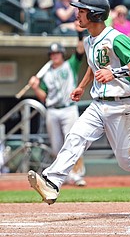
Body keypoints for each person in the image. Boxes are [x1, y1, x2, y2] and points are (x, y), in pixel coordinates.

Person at [27, 0, 130, 205]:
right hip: (98, 104)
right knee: (76, 136)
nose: (77, 14)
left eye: (82, 11)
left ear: (94, 14)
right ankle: (52, 182)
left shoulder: (116, 38)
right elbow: (95, 67)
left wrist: (115, 72)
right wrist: (81, 86)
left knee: (129, 162)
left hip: (123, 105)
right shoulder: (89, 40)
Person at [28, 30, 87, 187]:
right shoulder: (46, 74)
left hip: (69, 108)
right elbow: (44, 97)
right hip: (53, 110)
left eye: (57, 53)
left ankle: (76, 175)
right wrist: (35, 87)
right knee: (56, 146)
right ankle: (61, 177)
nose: (55, 56)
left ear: (62, 54)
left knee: (73, 142)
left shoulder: (70, 65)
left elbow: (80, 52)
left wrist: (80, 35)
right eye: (52, 54)